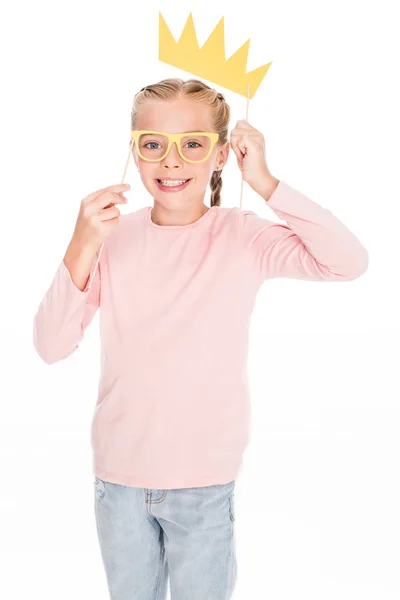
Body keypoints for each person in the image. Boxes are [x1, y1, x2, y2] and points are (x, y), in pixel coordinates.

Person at [32, 78, 369, 599]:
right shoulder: (111, 237)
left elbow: (348, 262)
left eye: (192, 143)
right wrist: (81, 241)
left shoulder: (243, 235)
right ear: (134, 151)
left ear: (219, 155)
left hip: (204, 483)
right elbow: (51, 345)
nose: (171, 161)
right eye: (154, 144)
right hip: (118, 480)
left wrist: (264, 181)